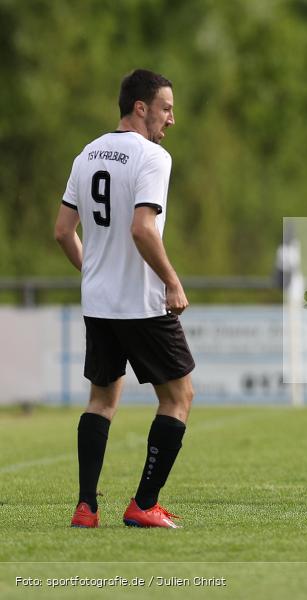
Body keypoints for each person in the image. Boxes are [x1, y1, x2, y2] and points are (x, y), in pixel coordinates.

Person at [54, 69, 194, 529]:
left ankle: (85, 507)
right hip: (142, 302)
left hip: (99, 304)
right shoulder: (152, 157)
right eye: (166, 108)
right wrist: (172, 281)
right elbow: (141, 228)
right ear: (141, 107)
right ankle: (143, 503)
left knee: (100, 401)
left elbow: (62, 232)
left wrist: (94, 272)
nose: (171, 119)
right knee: (178, 397)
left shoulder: (86, 154)